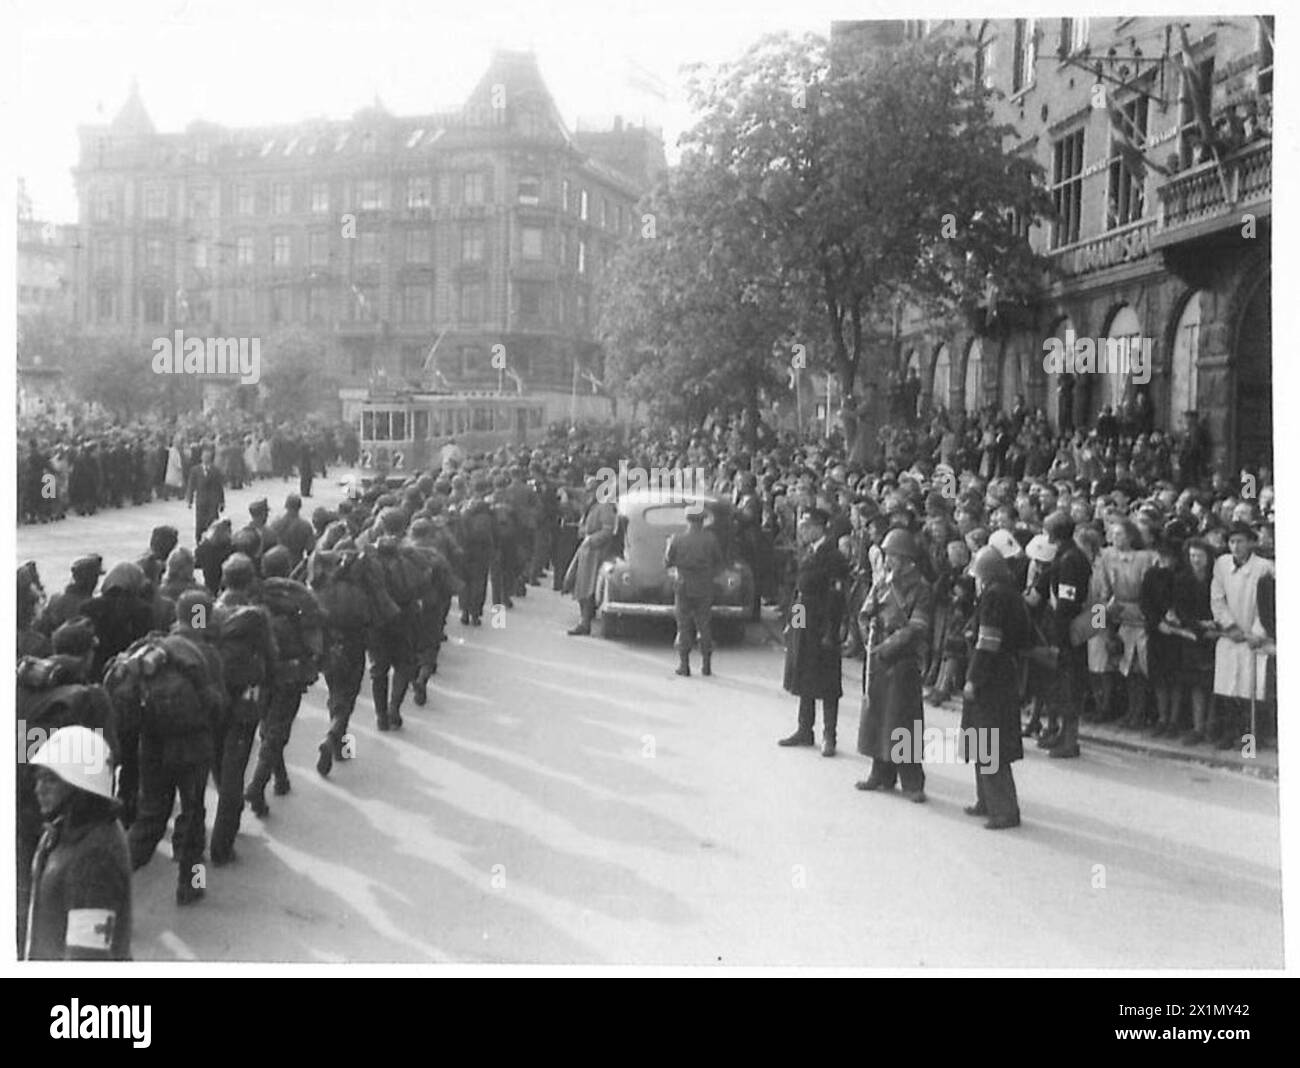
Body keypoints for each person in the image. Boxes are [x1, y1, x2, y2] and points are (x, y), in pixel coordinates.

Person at [24, 726, 132, 960]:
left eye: (50, 780)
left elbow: (87, 958)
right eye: (38, 778)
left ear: (80, 787)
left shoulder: (96, 854)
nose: (38, 789)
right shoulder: (62, 832)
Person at [855, 527, 933, 799]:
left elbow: (917, 627)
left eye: (892, 556)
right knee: (878, 718)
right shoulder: (883, 583)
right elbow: (865, 612)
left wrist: (888, 647)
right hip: (878, 657)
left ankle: (912, 782)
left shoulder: (921, 589)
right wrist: (869, 637)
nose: (888, 560)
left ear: (906, 558)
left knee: (902, 722)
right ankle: (880, 773)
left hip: (903, 660)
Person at [961, 546, 1030, 829]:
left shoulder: (994, 596)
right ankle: (986, 800)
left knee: (990, 744)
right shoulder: (1006, 592)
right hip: (1002, 673)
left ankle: (1004, 810)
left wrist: (973, 678)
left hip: (992, 677)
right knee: (982, 740)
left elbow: (988, 642)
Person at [779, 508, 849, 754]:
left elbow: (837, 596)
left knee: (828, 683)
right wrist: (793, 624)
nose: (803, 531)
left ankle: (829, 735)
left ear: (819, 527)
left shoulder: (834, 557)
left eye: (807, 527)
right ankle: (804, 729)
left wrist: (831, 631)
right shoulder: (807, 552)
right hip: (804, 620)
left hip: (822, 624)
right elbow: (800, 592)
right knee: (803, 675)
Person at [1210, 523, 1273, 750]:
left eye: (1241, 541)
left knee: (1250, 690)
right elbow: (1217, 599)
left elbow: (1267, 604)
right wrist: (1229, 626)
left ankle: (1250, 740)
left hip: (1254, 638)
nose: (1236, 546)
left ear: (1251, 542)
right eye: (1232, 542)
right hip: (1231, 636)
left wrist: (1257, 631)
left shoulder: (1265, 567)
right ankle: (1229, 733)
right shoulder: (1222, 564)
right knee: (1228, 689)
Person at [665, 501, 724, 677]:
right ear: (702, 520)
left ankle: (684, 665)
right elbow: (719, 561)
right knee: (704, 624)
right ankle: (706, 665)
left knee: (683, 625)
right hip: (705, 585)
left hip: (683, 585)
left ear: (687, 519)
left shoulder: (677, 539)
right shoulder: (711, 539)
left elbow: (667, 561)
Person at [564, 477, 618, 636]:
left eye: (592, 490)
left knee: (587, 588)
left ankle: (584, 622)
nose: (589, 493)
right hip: (587, 550)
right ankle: (584, 619)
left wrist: (591, 539)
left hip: (596, 552)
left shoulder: (605, 507)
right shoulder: (593, 506)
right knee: (580, 585)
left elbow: (608, 530)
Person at [186, 447, 226, 546]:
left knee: (213, 522)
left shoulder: (215, 470)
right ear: (201, 458)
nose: (206, 458)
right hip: (201, 501)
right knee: (199, 523)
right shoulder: (195, 470)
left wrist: (222, 502)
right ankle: (199, 542)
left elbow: (219, 487)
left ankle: (213, 541)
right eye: (204, 456)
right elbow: (191, 486)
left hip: (213, 502)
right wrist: (189, 500)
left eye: (208, 457)